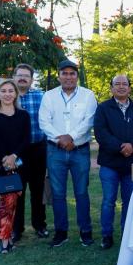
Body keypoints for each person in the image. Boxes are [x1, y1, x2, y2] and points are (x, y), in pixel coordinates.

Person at [39, 60, 98, 247]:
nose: (68, 77)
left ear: (76, 76)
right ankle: (61, 232)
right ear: (59, 76)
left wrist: (70, 137)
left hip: (79, 150)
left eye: (72, 73)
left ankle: (85, 231)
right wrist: (61, 139)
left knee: (81, 192)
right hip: (55, 151)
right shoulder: (49, 96)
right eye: (64, 73)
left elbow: (89, 121)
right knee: (57, 194)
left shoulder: (88, 95)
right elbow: (44, 122)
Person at [94, 75, 133, 250]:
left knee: (129, 201)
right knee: (108, 201)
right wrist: (120, 147)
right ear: (111, 88)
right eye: (117, 84)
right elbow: (101, 133)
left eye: (124, 84)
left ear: (130, 88)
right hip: (110, 163)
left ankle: (127, 233)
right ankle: (107, 235)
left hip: (132, 165)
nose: (121, 87)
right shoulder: (103, 108)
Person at [0, 79, 30, 253]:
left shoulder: (23, 115)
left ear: (16, 93)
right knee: (6, 203)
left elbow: (26, 139)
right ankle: (4, 240)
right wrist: (5, 158)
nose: (7, 94)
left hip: (19, 164)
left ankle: (8, 235)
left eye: (11, 91)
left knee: (13, 201)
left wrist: (14, 156)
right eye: (4, 91)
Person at [11, 63, 49, 241]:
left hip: (38, 149)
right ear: (14, 76)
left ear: (32, 79)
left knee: (38, 189)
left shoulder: (42, 96)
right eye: (19, 75)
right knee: (17, 190)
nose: (22, 78)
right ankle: (16, 228)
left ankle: (40, 225)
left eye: (26, 75)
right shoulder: (7, 95)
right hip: (16, 153)